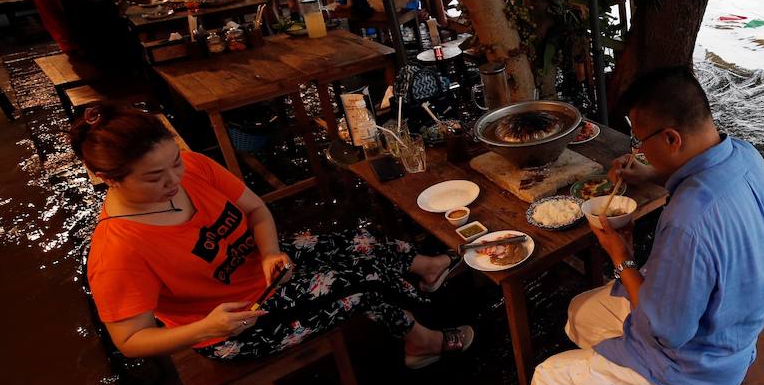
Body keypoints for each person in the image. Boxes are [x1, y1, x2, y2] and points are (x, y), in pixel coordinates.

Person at [527, 66, 764, 385]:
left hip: (706, 357)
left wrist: (621, 257)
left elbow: (668, 329)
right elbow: (696, 195)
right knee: (584, 311)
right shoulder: (742, 155)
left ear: (671, 137)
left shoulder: (689, 219)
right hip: (741, 315)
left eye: (639, 142)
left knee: (550, 384)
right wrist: (651, 171)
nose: (636, 150)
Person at [75, 103, 473, 368]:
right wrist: (205, 329)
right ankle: (421, 341)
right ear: (108, 179)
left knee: (358, 241)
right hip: (235, 324)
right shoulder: (119, 249)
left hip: (263, 268)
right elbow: (128, 339)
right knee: (357, 284)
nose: (175, 180)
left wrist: (267, 253)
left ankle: (428, 269)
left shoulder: (193, 167)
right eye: (154, 177)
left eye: (175, 164)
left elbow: (255, 209)